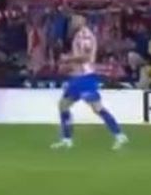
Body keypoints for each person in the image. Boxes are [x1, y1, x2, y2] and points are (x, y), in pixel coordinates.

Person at [52, 13, 128, 151]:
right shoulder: (79, 34)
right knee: (63, 105)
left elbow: (86, 57)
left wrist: (68, 60)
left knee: (97, 108)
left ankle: (119, 135)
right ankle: (67, 139)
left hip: (85, 77)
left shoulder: (85, 35)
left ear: (83, 20)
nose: (73, 22)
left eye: (75, 19)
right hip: (77, 77)